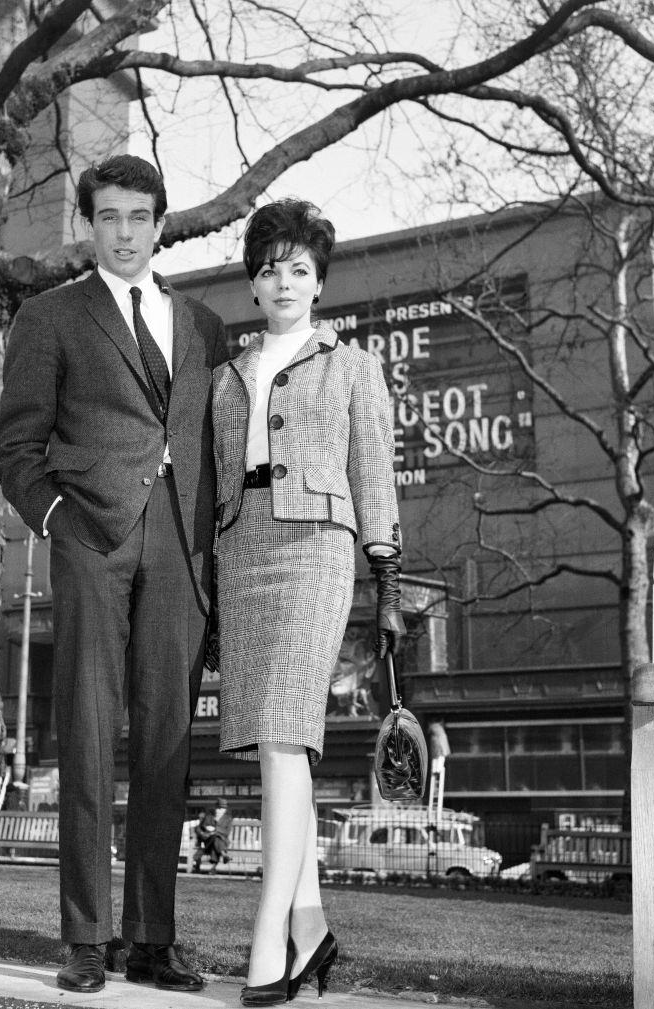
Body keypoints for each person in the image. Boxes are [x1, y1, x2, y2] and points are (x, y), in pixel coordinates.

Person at [0, 154, 229, 995]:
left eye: (139, 216)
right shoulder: (50, 317)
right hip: (89, 537)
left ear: (161, 223)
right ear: (89, 224)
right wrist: (57, 522)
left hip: (180, 544)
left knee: (168, 741)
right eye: (109, 217)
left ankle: (152, 939)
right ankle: (85, 939)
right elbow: (12, 446)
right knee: (88, 736)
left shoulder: (203, 325)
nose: (125, 232)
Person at [212, 198, 405, 1006]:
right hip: (241, 550)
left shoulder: (354, 367)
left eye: (298, 268)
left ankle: (267, 940)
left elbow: (375, 475)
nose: (283, 281)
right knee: (270, 744)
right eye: (268, 268)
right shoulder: (225, 377)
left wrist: (387, 578)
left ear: (319, 281)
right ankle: (311, 928)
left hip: (319, 552)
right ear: (253, 284)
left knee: (287, 735)